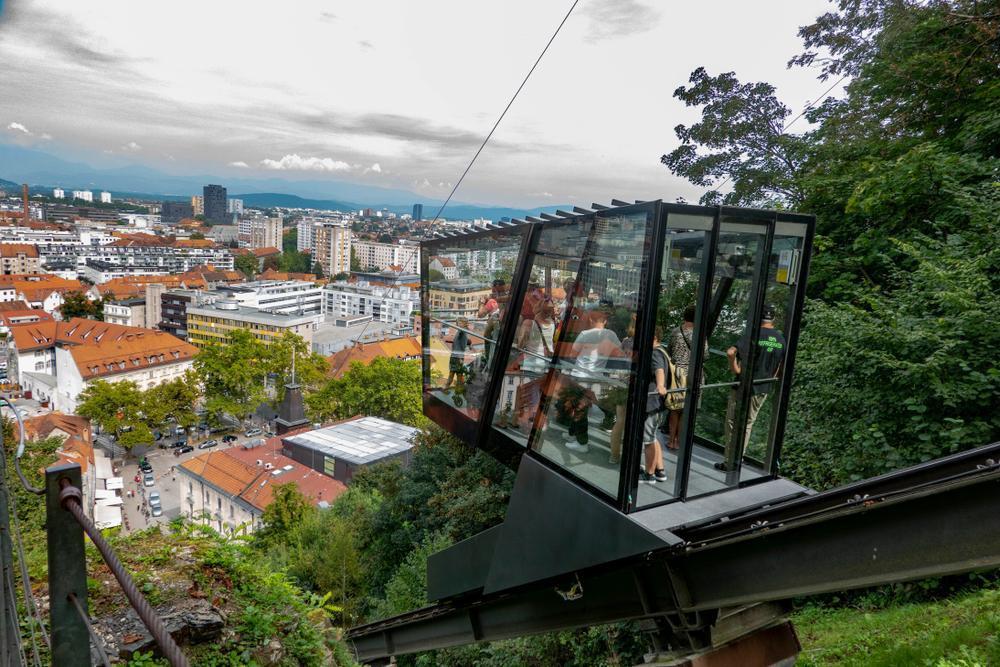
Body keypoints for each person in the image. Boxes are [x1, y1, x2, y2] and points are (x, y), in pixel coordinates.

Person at [716, 305, 786, 472]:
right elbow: (779, 368)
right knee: (747, 424)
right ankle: (739, 458)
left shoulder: (751, 335)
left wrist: (733, 363)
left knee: (733, 422)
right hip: (763, 387)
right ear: (773, 320)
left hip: (743, 386)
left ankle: (729, 461)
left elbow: (731, 353)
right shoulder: (781, 339)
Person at [559, 305, 622, 454]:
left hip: (580, 376)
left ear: (591, 319)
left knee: (579, 410)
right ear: (605, 321)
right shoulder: (611, 335)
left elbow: (573, 353)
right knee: (580, 407)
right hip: (596, 377)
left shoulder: (585, 334)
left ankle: (582, 443)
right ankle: (572, 434)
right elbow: (619, 353)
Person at [665, 305, 707, 450]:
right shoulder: (699, 334)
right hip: (694, 374)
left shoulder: (676, 332)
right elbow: (705, 355)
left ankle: (671, 440)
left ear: (684, 316)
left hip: (677, 373)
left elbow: (669, 351)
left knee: (675, 408)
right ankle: (679, 441)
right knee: (686, 410)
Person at [640, 327, 670, 483]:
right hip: (657, 403)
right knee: (653, 436)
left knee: (648, 440)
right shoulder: (662, 350)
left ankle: (649, 474)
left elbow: (659, 370)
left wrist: (660, 385)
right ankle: (660, 470)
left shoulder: (654, 353)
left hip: (651, 402)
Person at [444, 317, 470, 391]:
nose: (458, 324)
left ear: (464, 324)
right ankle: (449, 388)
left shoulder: (462, 331)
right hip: (455, 356)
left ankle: (454, 389)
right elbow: (464, 340)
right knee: (454, 373)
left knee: (457, 374)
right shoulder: (461, 331)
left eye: (460, 323)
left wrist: (464, 326)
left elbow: (463, 332)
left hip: (457, 357)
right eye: (458, 322)